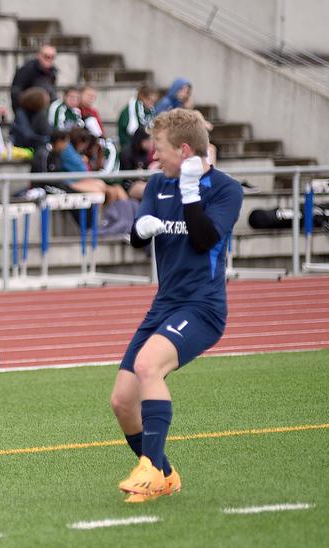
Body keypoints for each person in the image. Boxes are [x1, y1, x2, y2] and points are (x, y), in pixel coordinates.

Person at [110, 108, 243, 503]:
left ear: (184, 150)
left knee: (149, 366)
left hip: (203, 306)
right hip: (164, 303)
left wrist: (190, 192)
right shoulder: (157, 184)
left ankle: (149, 471)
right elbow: (137, 240)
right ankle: (165, 472)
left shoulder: (225, 188)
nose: (155, 157)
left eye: (160, 150)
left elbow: (204, 239)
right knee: (121, 401)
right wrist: (139, 228)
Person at [10, 43, 58, 114]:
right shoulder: (27, 70)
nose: (49, 59)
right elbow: (16, 92)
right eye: (46, 56)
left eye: (52, 57)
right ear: (38, 55)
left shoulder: (52, 72)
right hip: (26, 110)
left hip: (44, 110)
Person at [119, 125, 157, 200]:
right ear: (141, 140)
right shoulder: (127, 152)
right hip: (129, 187)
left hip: (143, 182)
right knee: (151, 191)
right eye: (149, 140)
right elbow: (126, 179)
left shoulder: (146, 152)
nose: (151, 144)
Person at [117, 85, 159, 149]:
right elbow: (131, 130)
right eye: (149, 100)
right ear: (141, 97)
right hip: (130, 147)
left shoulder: (148, 109)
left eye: (154, 101)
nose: (151, 104)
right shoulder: (131, 110)